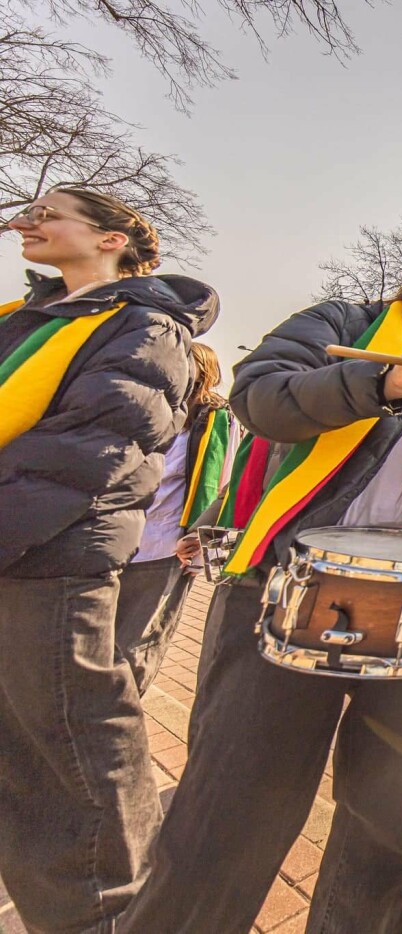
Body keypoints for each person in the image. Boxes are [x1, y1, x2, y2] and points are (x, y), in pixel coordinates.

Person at [118, 244, 402, 933]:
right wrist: (383, 387)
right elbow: (259, 396)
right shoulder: (346, 325)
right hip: (291, 587)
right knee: (235, 805)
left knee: (381, 824)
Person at [0, 188, 217, 933]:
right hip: (17, 551)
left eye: (49, 213)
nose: (29, 222)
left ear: (113, 239)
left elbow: (82, 455)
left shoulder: (145, 327)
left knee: (75, 749)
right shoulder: (31, 320)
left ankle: (108, 918)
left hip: (54, 562)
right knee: (22, 755)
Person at [114, 341, 239, 695]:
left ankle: (123, 712)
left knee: (137, 644)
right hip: (118, 540)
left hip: (167, 548)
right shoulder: (150, 410)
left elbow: (224, 483)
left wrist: (203, 547)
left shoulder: (217, 420)